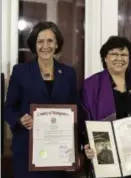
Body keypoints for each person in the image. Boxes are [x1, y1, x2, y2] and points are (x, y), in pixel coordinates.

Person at [3, 21, 80, 178]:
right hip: (27, 151)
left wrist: (76, 149)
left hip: (60, 152)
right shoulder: (21, 71)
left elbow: (75, 110)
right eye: (40, 41)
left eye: (50, 41)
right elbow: (8, 108)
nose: (45, 46)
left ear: (57, 44)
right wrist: (20, 119)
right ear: (34, 44)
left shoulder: (69, 73)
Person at [82, 36, 131, 178]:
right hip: (106, 157)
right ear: (105, 58)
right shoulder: (91, 85)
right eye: (114, 54)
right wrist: (86, 145)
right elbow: (84, 120)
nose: (119, 58)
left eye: (124, 55)